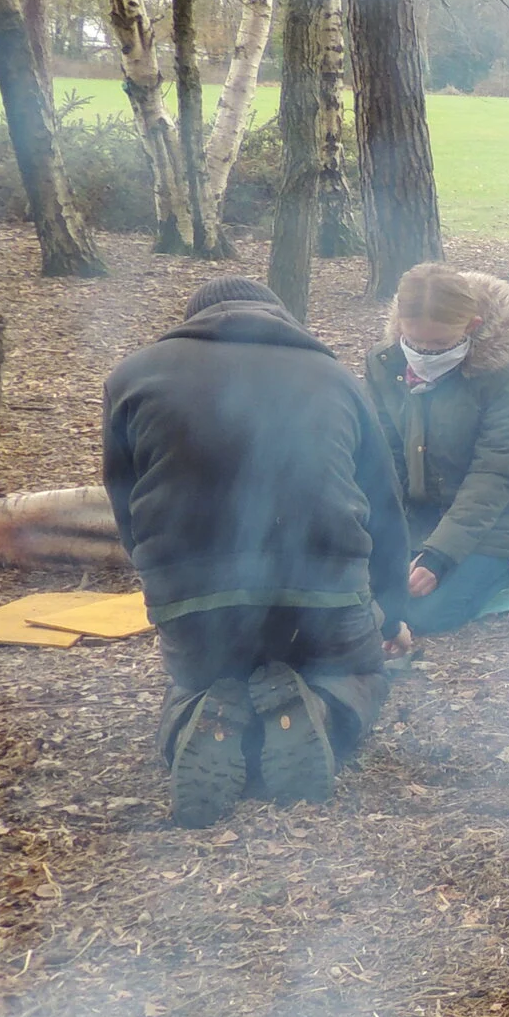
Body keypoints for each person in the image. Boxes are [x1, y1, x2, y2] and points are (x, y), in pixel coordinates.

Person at [103, 275, 409, 825]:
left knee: (195, 682)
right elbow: (384, 505)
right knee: (358, 673)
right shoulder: (335, 376)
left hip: (193, 591)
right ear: (281, 317)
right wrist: (391, 612)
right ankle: (319, 709)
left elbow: (125, 503)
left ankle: (202, 715)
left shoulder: (133, 376)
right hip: (324, 586)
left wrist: (162, 582)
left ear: (192, 321)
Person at [362, 264, 509, 637]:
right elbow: (387, 453)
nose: (424, 353)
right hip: (424, 512)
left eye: (439, 344)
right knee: (377, 597)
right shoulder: (384, 362)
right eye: (415, 342)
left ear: (471, 327)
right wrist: (386, 531)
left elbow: (495, 472)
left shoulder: (502, 373)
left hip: (496, 520)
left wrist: (439, 556)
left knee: (426, 615)